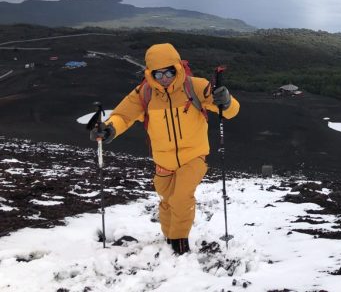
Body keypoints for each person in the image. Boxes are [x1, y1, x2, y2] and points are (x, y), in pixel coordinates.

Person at [90, 43, 240, 255]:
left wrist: (226, 100)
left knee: (181, 198)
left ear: (177, 67)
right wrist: (109, 130)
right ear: (150, 74)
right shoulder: (144, 93)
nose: (164, 78)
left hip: (194, 156)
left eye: (168, 72)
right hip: (163, 161)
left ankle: (180, 243)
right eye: (157, 74)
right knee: (167, 202)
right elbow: (123, 116)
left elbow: (229, 111)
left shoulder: (196, 87)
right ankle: (169, 238)